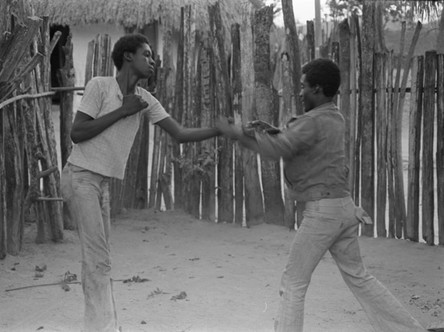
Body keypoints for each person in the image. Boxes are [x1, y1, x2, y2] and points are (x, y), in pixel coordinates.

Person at [216, 58, 427, 332]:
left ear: (316, 88)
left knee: (293, 283)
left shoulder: (314, 121)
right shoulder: (333, 116)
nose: (300, 91)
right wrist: (267, 130)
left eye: (303, 87)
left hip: (323, 213)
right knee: (360, 278)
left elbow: (278, 149)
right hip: (343, 209)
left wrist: (233, 132)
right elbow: (296, 139)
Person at [61, 33, 220, 332]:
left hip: (101, 185)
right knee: (98, 261)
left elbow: (181, 133)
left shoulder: (146, 100)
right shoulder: (100, 86)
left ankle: (102, 326)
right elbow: (77, 133)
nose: (152, 61)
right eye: (146, 54)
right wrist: (123, 110)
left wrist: (220, 130)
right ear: (127, 57)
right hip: (79, 176)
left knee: (99, 261)